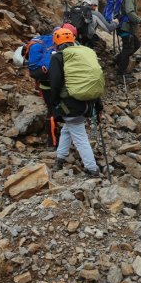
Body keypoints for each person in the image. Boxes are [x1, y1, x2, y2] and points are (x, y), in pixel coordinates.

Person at [49, 28, 102, 177]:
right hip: (87, 102)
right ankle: (60, 158)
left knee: (80, 137)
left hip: (70, 104)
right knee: (68, 128)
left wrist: (53, 103)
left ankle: (92, 169)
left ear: (56, 42)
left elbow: (55, 83)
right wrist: (99, 106)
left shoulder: (58, 57)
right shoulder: (83, 55)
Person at [114, 0, 141, 79]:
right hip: (126, 27)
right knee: (127, 48)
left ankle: (117, 59)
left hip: (125, 26)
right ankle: (121, 73)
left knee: (136, 44)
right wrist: (140, 21)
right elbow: (130, 12)